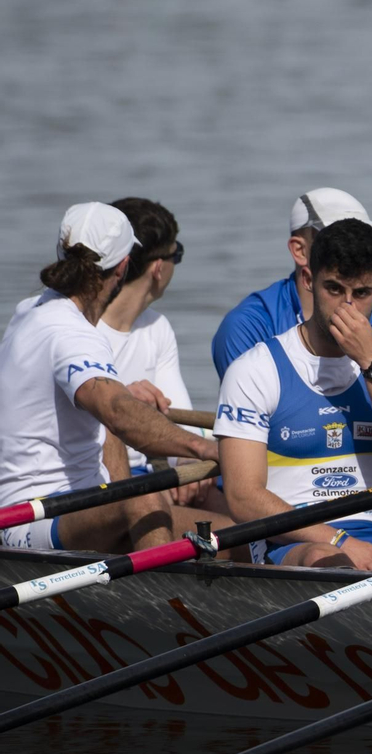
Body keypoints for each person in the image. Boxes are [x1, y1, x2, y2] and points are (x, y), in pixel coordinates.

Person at [213, 220, 372, 570]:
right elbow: (242, 497)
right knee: (328, 559)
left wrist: (370, 361)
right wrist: (339, 541)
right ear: (308, 281)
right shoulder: (255, 369)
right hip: (288, 539)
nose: (346, 308)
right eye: (333, 289)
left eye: (361, 293)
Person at [0, 203, 221, 554]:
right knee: (142, 498)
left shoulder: (30, 309)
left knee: (240, 533)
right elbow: (118, 412)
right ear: (122, 266)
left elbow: (111, 419)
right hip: (31, 517)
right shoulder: (69, 332)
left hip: (86, 502)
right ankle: (162, 602)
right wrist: (204, 448)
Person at [211, 188, 372, 429]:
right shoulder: (247, 326)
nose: (350, 246)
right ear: (300, 251)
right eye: (334, 235)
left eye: (359, 236)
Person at [96, 198, 208, 507]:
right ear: (158, 268)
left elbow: (179, 418)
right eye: (178, 254)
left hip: (148, 474)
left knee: (221, 491)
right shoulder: (81, 329)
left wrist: (189, 464)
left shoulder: (157, 327)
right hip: (94, 481)